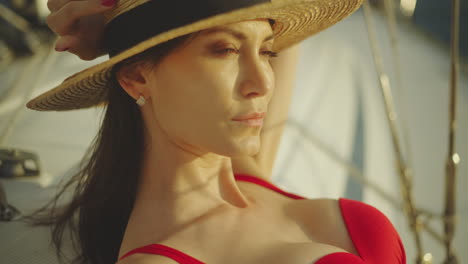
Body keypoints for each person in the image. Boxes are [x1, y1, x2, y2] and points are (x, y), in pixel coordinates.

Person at [27, 0, 406, 264]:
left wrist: (116, 19)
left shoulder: (247, 173)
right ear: (137, 75)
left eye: (267, 52)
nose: (262, 83)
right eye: (224, 50)